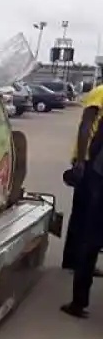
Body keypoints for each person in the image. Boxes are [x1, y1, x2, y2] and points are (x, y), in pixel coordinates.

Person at [61, 85, 103, 318]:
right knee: (84, 218)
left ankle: (78, 264)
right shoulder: (100, 92)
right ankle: (73, 261)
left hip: (96, 165)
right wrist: (81, 159)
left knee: (89, 224)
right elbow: (86, 126)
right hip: (90, 163)